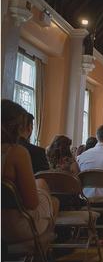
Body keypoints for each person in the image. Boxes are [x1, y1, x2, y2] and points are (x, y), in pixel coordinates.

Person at [1, 99, 59, 243]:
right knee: (51, 197)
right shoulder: (16, 153)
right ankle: (42, 252)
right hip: (10, 225)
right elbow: (32, 203)